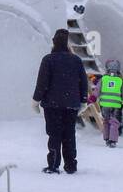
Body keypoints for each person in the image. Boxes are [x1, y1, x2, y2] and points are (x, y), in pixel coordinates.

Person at [32, 29, 88, 174]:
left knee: (54, 134)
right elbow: (83, 82)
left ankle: (53, 165)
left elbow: (42, 83)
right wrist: (83, 100)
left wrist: (36, 100)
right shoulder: (76, 60)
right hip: (71, 104)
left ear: (54, 43)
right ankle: (70, 165)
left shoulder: (48, 60)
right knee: (69, 134)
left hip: (52, 104)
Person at [95, 58, 123, 147]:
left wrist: (92, 98)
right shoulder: (120, 81)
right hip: (116, 106)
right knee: (114, 122)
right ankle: (113, 141)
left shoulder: (103, 79)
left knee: (106, 121)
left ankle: (107, 138)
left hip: (104, 105)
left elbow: (97, 90)